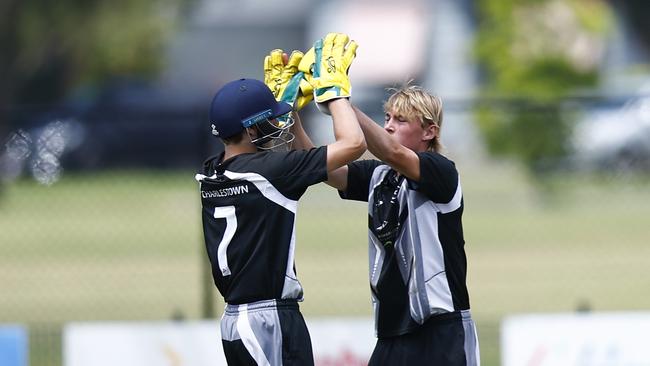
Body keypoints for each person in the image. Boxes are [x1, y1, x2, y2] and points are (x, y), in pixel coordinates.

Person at [196, 33, 363, 365]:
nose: (277, 122)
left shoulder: (213, 172)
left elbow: (291, 163)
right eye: (269, 119)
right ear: (253, 130)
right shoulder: (270, 172)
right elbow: (354, 144)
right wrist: (333, 92)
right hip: (267, 319)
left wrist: (287, 111)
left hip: (241, 318)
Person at [323, 84, 481, 365]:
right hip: (392, 333)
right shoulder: (380, 174)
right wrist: (289, 115)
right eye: (387, 118)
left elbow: (392, 153)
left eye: (401, 120)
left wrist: (339, 100)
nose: (389, 127)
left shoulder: (441, 171)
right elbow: (324, 169)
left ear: (429, 131)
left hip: (440, 330)